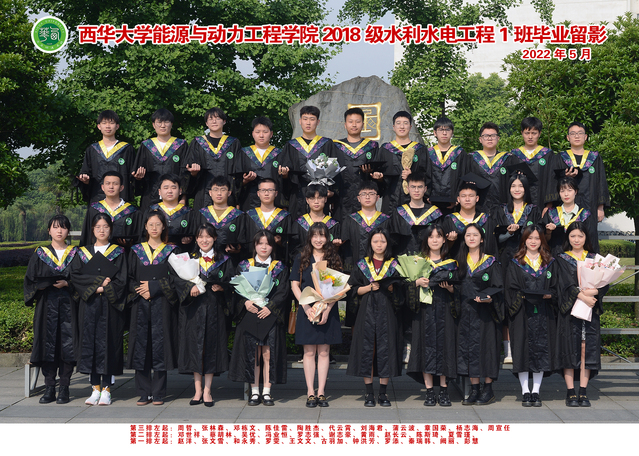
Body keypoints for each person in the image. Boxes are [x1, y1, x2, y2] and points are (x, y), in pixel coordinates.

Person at [171, 224, 232, 407]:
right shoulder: (187, 259)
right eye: (200, 237)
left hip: (214, 309)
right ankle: (197, 390)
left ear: (214, 238)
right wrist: (190, 287)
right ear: (196, 239)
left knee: (211, 347)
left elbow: (233, 282)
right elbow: (176, 280)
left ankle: (207, 390)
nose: (204, 240)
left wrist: (223, 288)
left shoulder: (224, 259)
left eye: (208, 236)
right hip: (193, 309)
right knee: (194, 347)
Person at [71, 213, 127, 406]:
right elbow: (75, 277)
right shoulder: (82, 253)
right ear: (92, 229)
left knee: (109, 344)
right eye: (98, 227)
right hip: (89, 306)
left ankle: (107, 390)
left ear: (110, 229)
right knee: (90, 344)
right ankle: (94, 388)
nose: (102, 230)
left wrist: (103, 289)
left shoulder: (118, 252)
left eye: (105, 226)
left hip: (110, 306)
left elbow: (122, 280)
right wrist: (99, 283)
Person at [229, 230, 289, 406]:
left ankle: (267, 392)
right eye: (260, 243)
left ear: (272, 246)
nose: (264, 247)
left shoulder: (279, 267)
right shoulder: (244, 266)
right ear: (254, 245)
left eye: (268, 243)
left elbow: (283, 291)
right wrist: (246, 302)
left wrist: (270, 307)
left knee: (268, 353)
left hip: (270, 314)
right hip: (250, 313)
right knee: (253, 353)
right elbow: (235, 290)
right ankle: (254, 391)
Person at [126, 210, 179, 406]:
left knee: (160, 345)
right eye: (151, 224)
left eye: (158, 224)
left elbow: (177, 278)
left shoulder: (172, 251)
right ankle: (143, 392)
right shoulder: (135, 251)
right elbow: (128, 278)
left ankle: (158, 393)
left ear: (163, 226)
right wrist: (142, 290)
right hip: (140, 303)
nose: (154, 228)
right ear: (145, 227)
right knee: (141, 346)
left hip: (162, 304)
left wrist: (154, 288)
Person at [346, 228, 403, 407]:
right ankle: (369, 393)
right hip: (367, 312)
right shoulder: (362, 265)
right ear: (370, 243)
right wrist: (368, 287)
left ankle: (383, 393)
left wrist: (393, 289)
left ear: (387, 244)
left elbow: (401, 291)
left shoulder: (395, 265)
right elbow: (353, 290)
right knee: (367, 350)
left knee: (386, 349)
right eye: (375, 241)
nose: (379, 245)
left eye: (383, 241)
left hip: (387, 312)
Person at [24, 215, 78, 404]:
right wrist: (40, 286)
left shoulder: (76, 253)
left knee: (67, 346)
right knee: (47, 345)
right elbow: (29, 280)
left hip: (69, 306)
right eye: (55, 227)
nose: (59, 231)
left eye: (63, 227)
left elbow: (82, 279)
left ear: (68, 231)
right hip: (47, 306)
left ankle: (64, 387)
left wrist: (68, 284)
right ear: (49, 231)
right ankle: (49, 387)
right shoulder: (40, 253)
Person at [291, 223, 343, 408]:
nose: (318, 239)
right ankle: (310, 392)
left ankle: (321, 392)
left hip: (328, 308)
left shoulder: (333, 257)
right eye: (315, 236)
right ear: (309, 238)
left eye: (322, 235)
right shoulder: (301, 257)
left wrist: (327, 310)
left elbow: (339, 288)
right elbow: (295, 285)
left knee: (324, 351)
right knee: (309, 351)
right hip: (308, 309)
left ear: (327, 237)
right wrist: (306, 308)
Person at [492, 164, 541, 364]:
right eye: (513, 186)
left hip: (528, 260)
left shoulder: (533, 210)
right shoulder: (501, 210)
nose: (517, 189)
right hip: (506, 260)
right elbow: (496, 238)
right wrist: (508, 233)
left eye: (520, 186)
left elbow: (538, 236)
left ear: (526, 188)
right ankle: (509, 350)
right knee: (507, 301)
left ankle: (528, 346)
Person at [505, 225, 558, 407]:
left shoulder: (549, 262)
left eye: (537, 238)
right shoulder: (516, 262)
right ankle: (524, 391)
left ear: (542, 240)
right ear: (524, 240)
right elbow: (510, 288)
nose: (533, 241)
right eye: (530, 238)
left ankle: (536, 391)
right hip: (522, 313)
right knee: (522, 350)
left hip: (544, 313)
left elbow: (556, 287)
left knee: (541, 350)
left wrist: (550, 295)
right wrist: (521, 297)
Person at [556, 222, 607, 407]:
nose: (576, 240)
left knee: (587, 348)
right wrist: (581, 296)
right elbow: (563, 283)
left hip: (590, 309)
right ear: (568, 238)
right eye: (573, 236)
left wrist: (593, 293)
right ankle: (570, 391)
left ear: (586, 237)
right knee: (569, 348)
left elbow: (605, 283)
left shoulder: (595, 258)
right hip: (570, 310)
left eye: (580, 236)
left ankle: (583, 391)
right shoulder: (561, 259)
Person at [406, 225, 458, 407]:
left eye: (438, 236)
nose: (434, 240)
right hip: (424, 312)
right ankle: (429, 391)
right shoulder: (417, 262)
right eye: (431, 236)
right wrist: (416, 283)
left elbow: (460, 290)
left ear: (444, 240)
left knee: (445, 347)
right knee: (425, 347)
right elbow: (406, 288)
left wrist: (451, 289)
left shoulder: (452, 263)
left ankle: (444, 390)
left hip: (445, 310)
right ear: (426, 240)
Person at [455, 223, 504, 405]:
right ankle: (475, 389)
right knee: (469, 349)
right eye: (468, 235)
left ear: (482, 239)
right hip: (466, 313)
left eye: (475, 235)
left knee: (487, 349)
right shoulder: (459, 261)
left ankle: (488, 389)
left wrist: (490, 299)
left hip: (486, 314)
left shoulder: (491, 262)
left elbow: (499, 287)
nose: (472, 238)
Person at [184, 107, 242, 211]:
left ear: (224, 121)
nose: (214, 121)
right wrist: (193, 173)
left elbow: (238, 171)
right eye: (210, 119)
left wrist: (238, 200)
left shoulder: (233, 143)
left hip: (227, 194)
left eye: (218, 118)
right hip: (203, 193)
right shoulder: (197, 143)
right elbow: (187, 171)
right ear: (206, 123)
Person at [75, 110, 139, 204]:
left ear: (117, 126)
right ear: (99, 126)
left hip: (121, 200)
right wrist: (85, 179)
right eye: (104, 123)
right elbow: (86, 172)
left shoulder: (127, 149)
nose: (108, 126)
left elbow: (133, 176)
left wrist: (137, 177)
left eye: (111, 123)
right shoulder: (92, 150)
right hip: (97, 199)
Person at [332, 107, 383, 222]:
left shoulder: (372, 146)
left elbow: (378, 174)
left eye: (358, 121)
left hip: (365, 199)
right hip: (341, 200)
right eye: (350, 121)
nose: (354, 125)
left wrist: (370, 173)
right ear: (345, 125)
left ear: (363, 125)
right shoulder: (336, 146)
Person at [285, 106, 335, 220]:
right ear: (300, 121)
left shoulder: (326, 144)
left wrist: (332, 193)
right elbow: (285, 178)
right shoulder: (291, 145)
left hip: (320, 194)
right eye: (305, 119)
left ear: (318, 122)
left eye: (312, 119)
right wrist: (284, 174)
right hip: (298, 194)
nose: (308, 123)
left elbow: (334, 172)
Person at [132, 108, 188, 209]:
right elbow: (137, 176)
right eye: (159, 122)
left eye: (166, 122)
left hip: (175, 198)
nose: (163, 125)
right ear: (154, 125)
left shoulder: (181, 145)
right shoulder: (146, 146)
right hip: (150, 196)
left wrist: (183, 197)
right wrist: (138, 178)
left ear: (171, 124)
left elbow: (185, 174)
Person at [554, 121, 610, 222]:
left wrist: (600, 207)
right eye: (573, 133)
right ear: (568, 137)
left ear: (585, 137)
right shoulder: (560, 157)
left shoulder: (595, 158)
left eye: (580, 133)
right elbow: (553, 181)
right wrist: (564, 176)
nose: (577, 136)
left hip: (590, 205)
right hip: (566, 207)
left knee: (589, 230)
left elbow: (601, 182)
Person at [376, 111, 429, 214]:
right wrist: (379, 178)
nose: (402, 126)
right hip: (390, 201)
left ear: (410, 127)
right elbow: (379, 179)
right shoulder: (385, 149)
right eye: (398, 123)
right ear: (393, 127)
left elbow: (428, 175)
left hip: (414, 201)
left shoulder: (420, 150)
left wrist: (413, 176)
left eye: (405, 123)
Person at [238, 116, 291, 212]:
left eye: (265, 132)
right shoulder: (244, 153)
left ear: (271, 134)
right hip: (249, 202)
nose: (261, 135)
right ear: (253, 134)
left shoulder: (280, 154)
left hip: (274, 203)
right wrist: (244, 181)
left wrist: (285, 175)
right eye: (258, 132)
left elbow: (287, 183)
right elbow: (236, 181)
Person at [341, 181, 391, 280]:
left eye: (371, 194)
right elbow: (346, 248)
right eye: (363, 194)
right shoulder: (350, 220)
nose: (367, 197)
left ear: (377, 197)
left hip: (380, 271)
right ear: (358, 198)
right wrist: (348, 270)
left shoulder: (386, 220)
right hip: (355, 271)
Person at [79, 171, 141, 248]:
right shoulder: (94, 210)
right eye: (108, 183)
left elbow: (139, 240)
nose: (111, 187)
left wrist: (129, 245)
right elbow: (87, 237)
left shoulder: (133, 212)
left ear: (121, 188)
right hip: (98, 253)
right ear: (102, 187)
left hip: (125, 254)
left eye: (115, 184)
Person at [441, 174, 495, 259]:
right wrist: (450, 241)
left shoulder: (485, 220)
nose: (467, 199)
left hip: (481, 264)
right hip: (457, 264)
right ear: (458, 199)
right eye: (463, 196)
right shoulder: (450, 220)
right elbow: (442, 250)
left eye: (471, 196)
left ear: (477, 198)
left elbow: (491, 246)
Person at [197, 176, 246, 267]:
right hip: (205, 262)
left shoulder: (238, 215)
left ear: (229, 193)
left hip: (230, 262)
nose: (219, 193)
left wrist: (236, 248)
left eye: (223, 190)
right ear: (210, 193)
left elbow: (242, 242)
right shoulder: (202, 213)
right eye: (215, 190)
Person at [541, 176, 597, 254]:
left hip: (578, 257)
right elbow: (542, 241)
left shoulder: (585, 215)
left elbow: (591, 239)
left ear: (576, 191)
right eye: (562, 191)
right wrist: (548, 232)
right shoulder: (551, 213)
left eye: (569, 190)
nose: (566, 194)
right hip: (555, 256)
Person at [468, 122, 516, 213]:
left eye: (493, 135)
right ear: (480, 139)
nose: (489, 138)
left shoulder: (508, 159)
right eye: (486, 136)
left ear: (498, 138)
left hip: (503, 209)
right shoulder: (471, 158)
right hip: (478, 209)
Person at [390, 172, 442, 256]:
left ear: (425, 189)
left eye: (420, 187)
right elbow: (394, 240)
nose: (416, 190)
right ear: (407, 189)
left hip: (428, 258)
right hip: (404, 258)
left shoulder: (434, 213)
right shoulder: (399, 212)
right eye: (413, 187)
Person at [509, 117, 554, 211]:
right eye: (527, 133)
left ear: (539, 133)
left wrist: (549, 205)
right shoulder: (515, 155)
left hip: (542, 203)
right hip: (519, 204)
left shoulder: (547, 154)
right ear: (522, 133)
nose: (530, 137)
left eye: (534, 133)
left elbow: (551, 180)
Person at [426, 117, 469, 215]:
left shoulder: (459, 153)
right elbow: (425, 176)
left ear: (452, 132)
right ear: (435, 133)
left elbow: (464, 176)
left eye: (447, 130)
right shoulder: (428, 153)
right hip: (431, 203)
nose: (444, 133)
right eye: (441, 130)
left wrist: (459, 197)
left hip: (455, 204)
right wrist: (426, 196)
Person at [244, 178, 291, 264]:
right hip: (252, 263)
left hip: (277, 264)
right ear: (258, 193)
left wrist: (281, 242)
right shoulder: (249, 215)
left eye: (270, 190)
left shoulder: (284, 216)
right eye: (263, 190)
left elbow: (289, 245)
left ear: (276, 193)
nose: (266, 193)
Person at [292, 184, 341, 258]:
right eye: (312, 198)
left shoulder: (333, 224)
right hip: (304, 262)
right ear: (307, 200)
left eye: (320, 198)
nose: (316, 201)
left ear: (325, 199)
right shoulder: (299, 223)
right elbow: (294, 249)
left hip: (326, 263)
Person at [146, 173, 193, 247]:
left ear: (180, 191)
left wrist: (189, 239)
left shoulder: (188, 212)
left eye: (173, 188)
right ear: (159, 192)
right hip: (157, 251)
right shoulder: (152, 211)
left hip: (181, 252)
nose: (170, 191)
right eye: (166, 188)